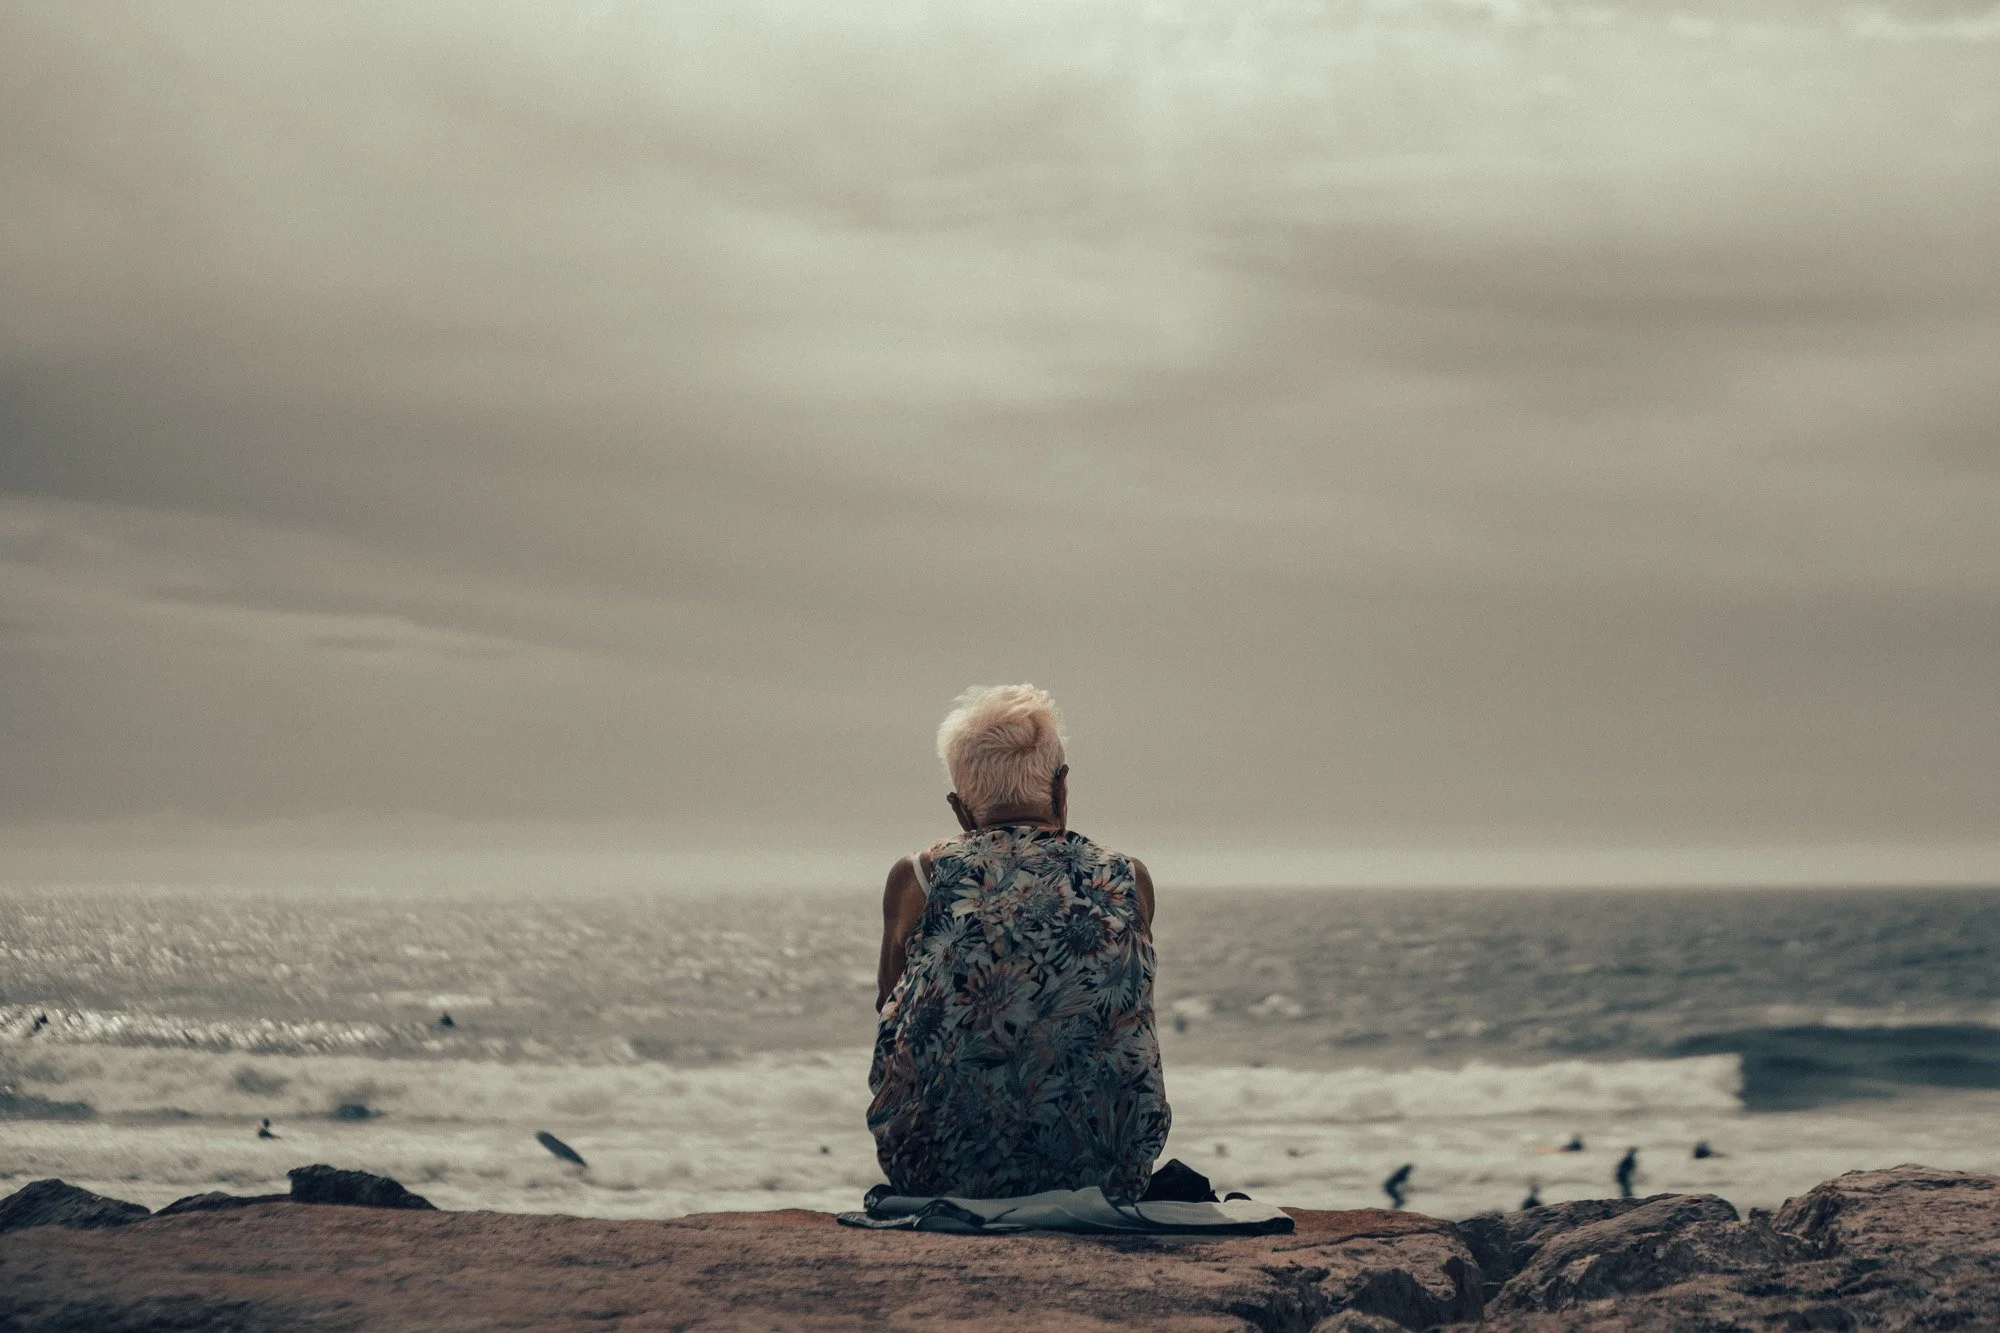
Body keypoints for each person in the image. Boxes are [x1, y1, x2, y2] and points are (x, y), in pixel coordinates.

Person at [868, 685, 1170, 1203]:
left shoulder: (919, 878)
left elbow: (889, 1007)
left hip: (939, 1174)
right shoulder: (1127, 878)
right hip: (1106, 1176)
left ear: (961, 810)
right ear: (1062, 789)